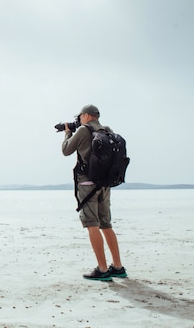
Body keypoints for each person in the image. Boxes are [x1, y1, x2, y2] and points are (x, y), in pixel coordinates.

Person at [61, 104, 127, 281]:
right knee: (106, 224)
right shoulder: (107, 130)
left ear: (87, 115)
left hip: (87, 184)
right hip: (104, 184)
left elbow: (66, 150)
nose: (79, 119)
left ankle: (103, 269)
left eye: (81, 116)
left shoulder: (83, 130)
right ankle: (118, 267)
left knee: (92, 224)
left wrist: (68, 132)